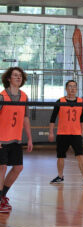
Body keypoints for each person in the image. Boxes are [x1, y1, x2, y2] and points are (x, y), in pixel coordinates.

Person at [0, 67, 33, 213]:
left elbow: (25, 118)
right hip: (1, 139)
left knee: (18, 168)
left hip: (16, 139)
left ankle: (2, 196)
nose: (18, 78)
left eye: (20, 76)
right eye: (15, 75)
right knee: (2, 168)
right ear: (8, 78)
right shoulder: (2, 97)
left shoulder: (24, 96)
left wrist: (30, 138)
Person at [48, 80, 83, 186]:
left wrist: (81, 133)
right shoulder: (60, 101)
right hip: (63, 133)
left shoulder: (80, 102)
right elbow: (52, 119)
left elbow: (82, 120)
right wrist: (51, 132)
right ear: (66, 89)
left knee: (80, 155)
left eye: (74, 87)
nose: (72, 89)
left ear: (76, 89)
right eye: (70, 86)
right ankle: (60, 176)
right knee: (61, 156)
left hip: (76, 134)